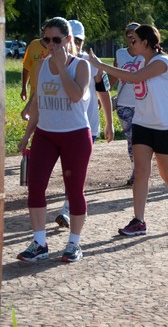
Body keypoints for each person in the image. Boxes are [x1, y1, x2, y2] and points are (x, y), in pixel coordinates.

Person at [88, 24, 168, 236]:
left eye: (134, 40)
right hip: (142, 124)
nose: (130, 44)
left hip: (166, 126)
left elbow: (134, 78)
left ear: (146, 43)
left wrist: (101, 65)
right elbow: (129, 76)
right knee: (141, 173)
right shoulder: (142, 62)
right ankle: (139, 220)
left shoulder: (162, 62)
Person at [16, 17, 92, 263]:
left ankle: (73, 244)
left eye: (56, 40)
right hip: (45, 135)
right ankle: (39, 242)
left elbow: (75, 96)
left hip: (75, 136)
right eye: (46, 40)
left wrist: (61, 68)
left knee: (74, 190)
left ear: (68, 40)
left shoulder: (80, 66)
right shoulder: (41, 66)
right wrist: (27, 136)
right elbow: (37, 105)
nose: (50, 45)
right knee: (36, 187)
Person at [53, 19, 115, 229]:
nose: (76, 45)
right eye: (74, 40)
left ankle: (68, 209)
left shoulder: (92, 64)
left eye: (80, 41)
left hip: (87, 127)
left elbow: (104, 93)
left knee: (76, 170)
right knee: (68, 170)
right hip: (62, 126)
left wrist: (110, 123)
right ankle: (69, 204)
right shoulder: (55, 61)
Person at [110, 22, 143, 186]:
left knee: (142, 140)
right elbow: (115, 74)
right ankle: (135, 170)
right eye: (128, 35)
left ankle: (142, 169)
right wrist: (105, 91)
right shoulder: (120, 53)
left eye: (135, 34)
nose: (131, 38)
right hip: (124, 103)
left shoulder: (146, 54)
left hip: (143, 102)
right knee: (131, 138)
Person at [20, 37, 49, 120]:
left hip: (51, 93)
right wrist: (24, 88)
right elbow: (26, 67)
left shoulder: (56, 47)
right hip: (34, 93)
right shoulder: (33, 45)